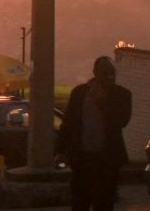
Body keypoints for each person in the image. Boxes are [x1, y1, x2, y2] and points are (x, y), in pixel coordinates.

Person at [57, 57, 132, 211]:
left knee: (104, 202)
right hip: (82, 158)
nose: (109, 77)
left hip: (107, 159)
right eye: (105, 73)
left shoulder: (122, 94)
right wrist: (60, 150)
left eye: (112, 73)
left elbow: (121, 121)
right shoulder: (79, 93)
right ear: (95, 73)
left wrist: (102, 102)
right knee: (80, 201)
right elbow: (69, 123)